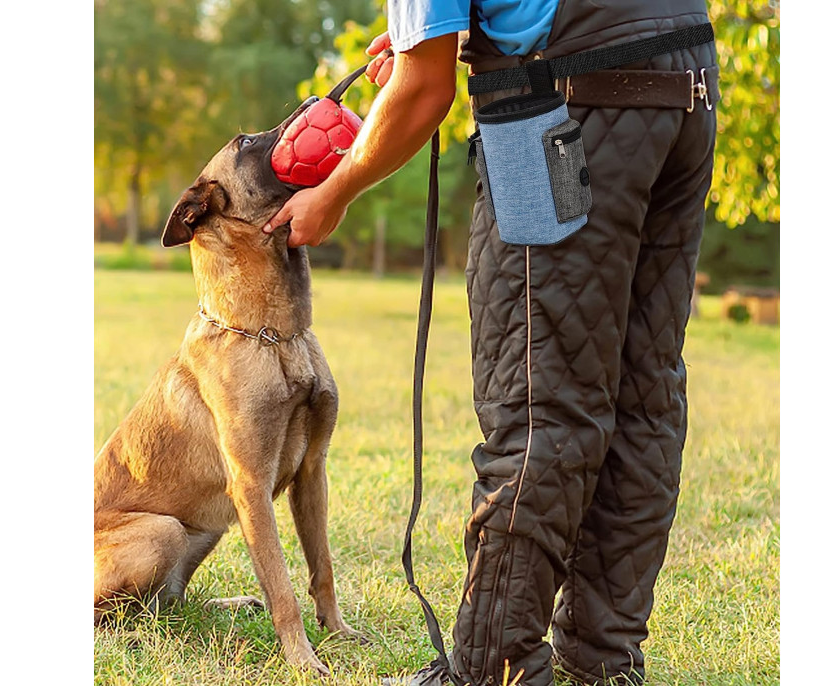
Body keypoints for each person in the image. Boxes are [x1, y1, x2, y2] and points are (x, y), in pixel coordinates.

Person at [263, 1, 718, 684]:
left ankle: (490, 668)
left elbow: (423, 91)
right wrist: (454, 35)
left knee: (539, 396)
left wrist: (337, 189)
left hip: (562, 121)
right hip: (685, 86)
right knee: (643, 387)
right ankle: (602, 659)